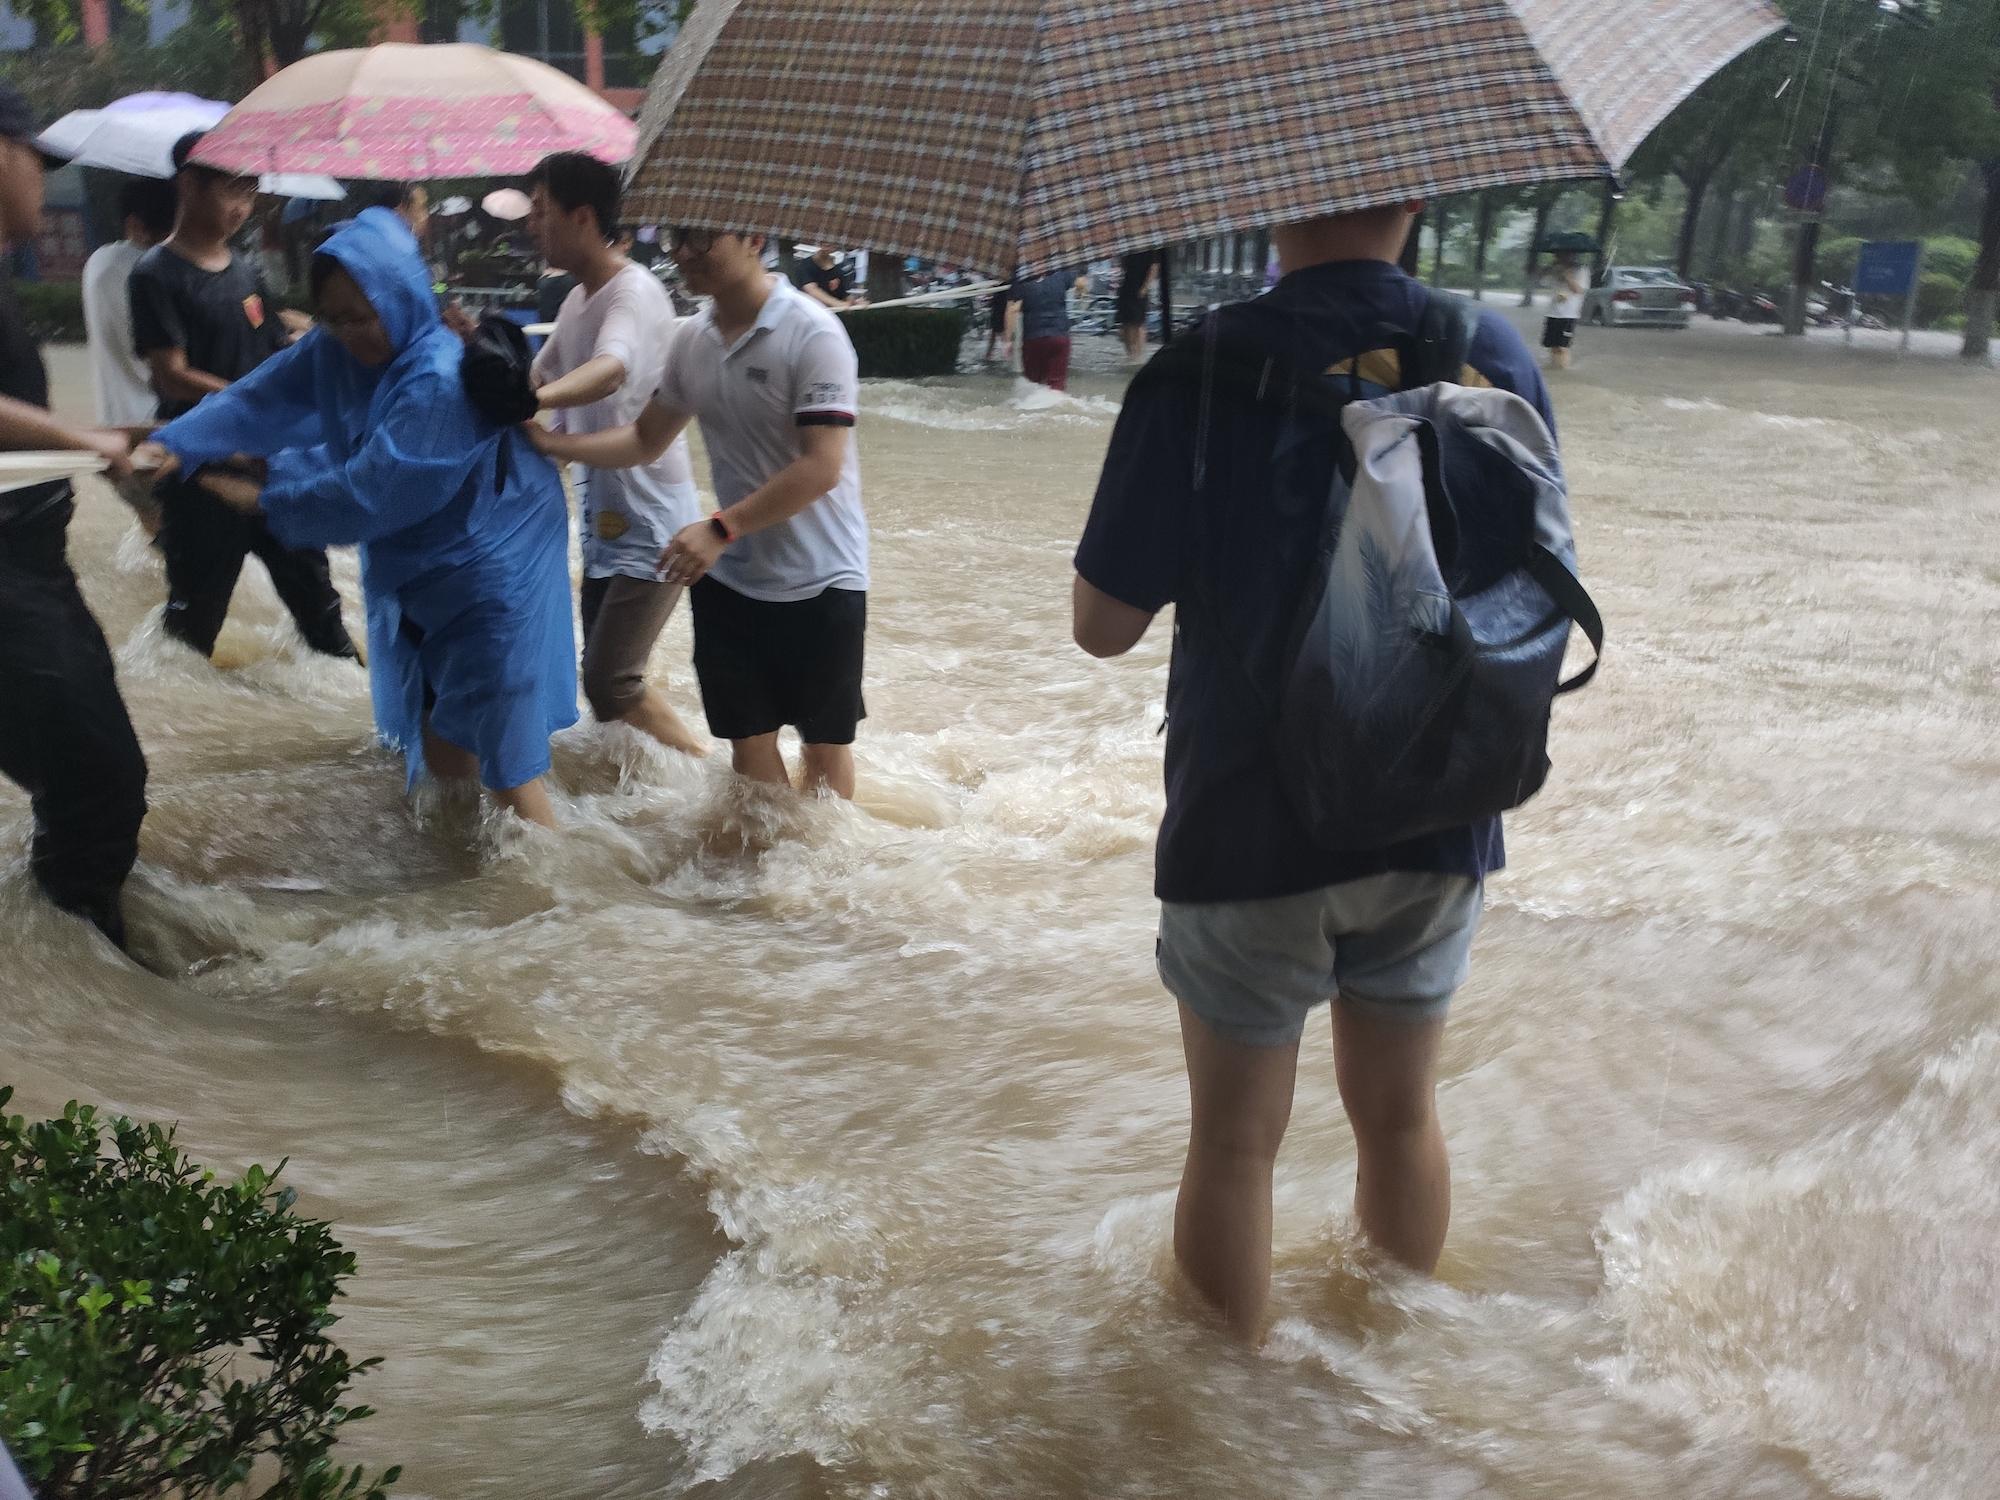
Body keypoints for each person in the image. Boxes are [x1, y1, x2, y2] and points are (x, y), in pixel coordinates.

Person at [1071, 203, 1558, 1342]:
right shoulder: (1493, 348)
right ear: (1420, 197)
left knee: (1235, 1142)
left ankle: (1227, 1423)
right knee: (1399, 1121)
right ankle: (1378, 1397)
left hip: (1248, 818)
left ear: (1269, 199)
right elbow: (1527, 568)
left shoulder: (1196, 369)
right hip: (1441, 797)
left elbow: (1104, 625)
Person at [134, 208, 577, 828]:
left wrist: (257, 498)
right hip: (420, 558)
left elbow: (368, 496)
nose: (348, 334)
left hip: (495, 562)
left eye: (361, 317)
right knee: (437, 723)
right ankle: (459, 864)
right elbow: (255, 398)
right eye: (333, 319)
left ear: (400, 299)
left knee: (507, 757)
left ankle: (550, 901)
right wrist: (177, 443)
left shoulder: (438, 380)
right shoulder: (335, 350)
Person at [527, 225, 868, 799]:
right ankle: (766, 879)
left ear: (755, 238)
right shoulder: (692, 340)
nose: (684, 253)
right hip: (731, 575)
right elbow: (644, 439)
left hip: (822, 576)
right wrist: (549, 444)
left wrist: (719, 526)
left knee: (824, 751)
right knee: (749, 748)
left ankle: (826, 887)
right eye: (674, 240)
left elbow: (821, 467)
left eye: (702, 238)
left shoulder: (813, 332)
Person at [0, 84, 148, 949]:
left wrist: (103, 441)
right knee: (97, 782)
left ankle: (74, 953)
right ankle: (92, 980)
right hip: (6, 580)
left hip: (33, 564)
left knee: (97, 779)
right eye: (35, 161)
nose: (42, 184)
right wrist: (82, 433)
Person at [129, 132, 357, 662]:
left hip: (273, 466)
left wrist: (324, 343)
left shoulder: (247, 270)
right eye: (233, 189)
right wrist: (253, 404)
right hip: (202, 471)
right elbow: (171, 375)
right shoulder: (155, 274)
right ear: (189, 185)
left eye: (251, 191)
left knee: (324, 619)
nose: (243, 205)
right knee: (194, 626)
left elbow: (275, 344)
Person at [525, 151, 705, 758]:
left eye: (540, 212)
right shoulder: (577, 299)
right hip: (605, 521)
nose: (532, 225)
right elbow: (536, 377)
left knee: (612, 681)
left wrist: (544, 418)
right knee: (602, 685)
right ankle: (644, 797)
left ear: (580, 217)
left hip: (654, 523)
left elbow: (610, 371)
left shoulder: (632, 290)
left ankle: (711, 775)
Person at [82, 176, 177, 427]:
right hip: (162, 420)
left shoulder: (100, 261)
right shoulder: (157, 271)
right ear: (136, 225)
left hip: (117, 419)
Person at [1006, 265, 1089, 391]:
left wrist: (1008, 341)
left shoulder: (1021, 278)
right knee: (1056, 387)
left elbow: (1012, 310)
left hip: (1033, 338)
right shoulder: (1061, 273)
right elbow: (1081, 283)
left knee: (1032, 386)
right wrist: (1080, 293)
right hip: (1059, 336)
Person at [1542, 250, 1586, 371]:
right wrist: (1548, 271)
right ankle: (1554, 369)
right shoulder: (1553, 269)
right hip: (1552, 312)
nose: (1558, 257)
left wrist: (1568, 276)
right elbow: (1543, 282)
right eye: (1556, 255)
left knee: (1563, 346)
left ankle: (1564, 369)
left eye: (1561, 255)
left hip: (1569, 314)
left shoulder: (1581, 270)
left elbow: (1579, 290)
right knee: (1552, 345)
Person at [1115, 249, 1158, 362]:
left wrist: (1145, 288)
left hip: (1139, 289)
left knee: (1138, 323)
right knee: (1125, 323)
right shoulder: (1127, 248)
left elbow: (1154, 268)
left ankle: (1137, 354)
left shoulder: (1150, 248)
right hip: (1126, 287)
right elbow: (1124, 266)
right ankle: (1130, 354)